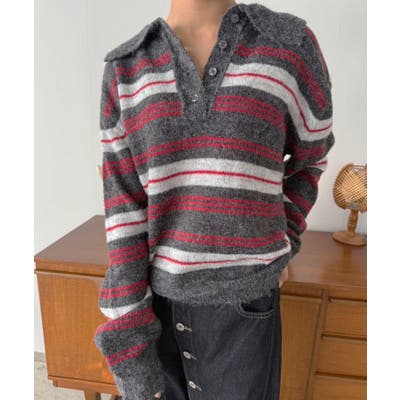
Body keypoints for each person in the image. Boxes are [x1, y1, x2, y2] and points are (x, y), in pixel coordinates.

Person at [93, 1, 335, 399]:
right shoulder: (127, 68)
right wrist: (129, 325)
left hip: (246, 308)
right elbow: (124, 208)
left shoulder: (288, 45)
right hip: (158, 306)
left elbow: (311, 158)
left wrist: (283, 236)